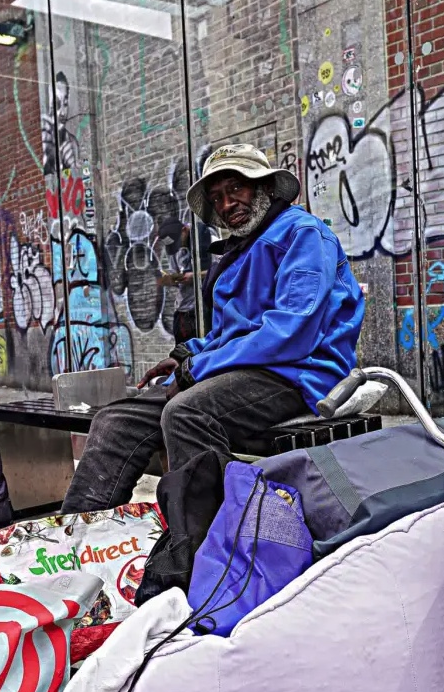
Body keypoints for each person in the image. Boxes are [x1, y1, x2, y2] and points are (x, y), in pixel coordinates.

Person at [61, 143, 365, 513]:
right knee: (116, 419)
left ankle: (197, 549)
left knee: (187, 412)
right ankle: (78, 538)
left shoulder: (302, 234)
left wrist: (197, 369)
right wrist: (189, 355)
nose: (226, 204)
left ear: (265, 188)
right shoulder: (241, 251)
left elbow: (292, 331)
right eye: (217, 197)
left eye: (236, 188)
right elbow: (233, 334)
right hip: (248, 369)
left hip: (298, 373)